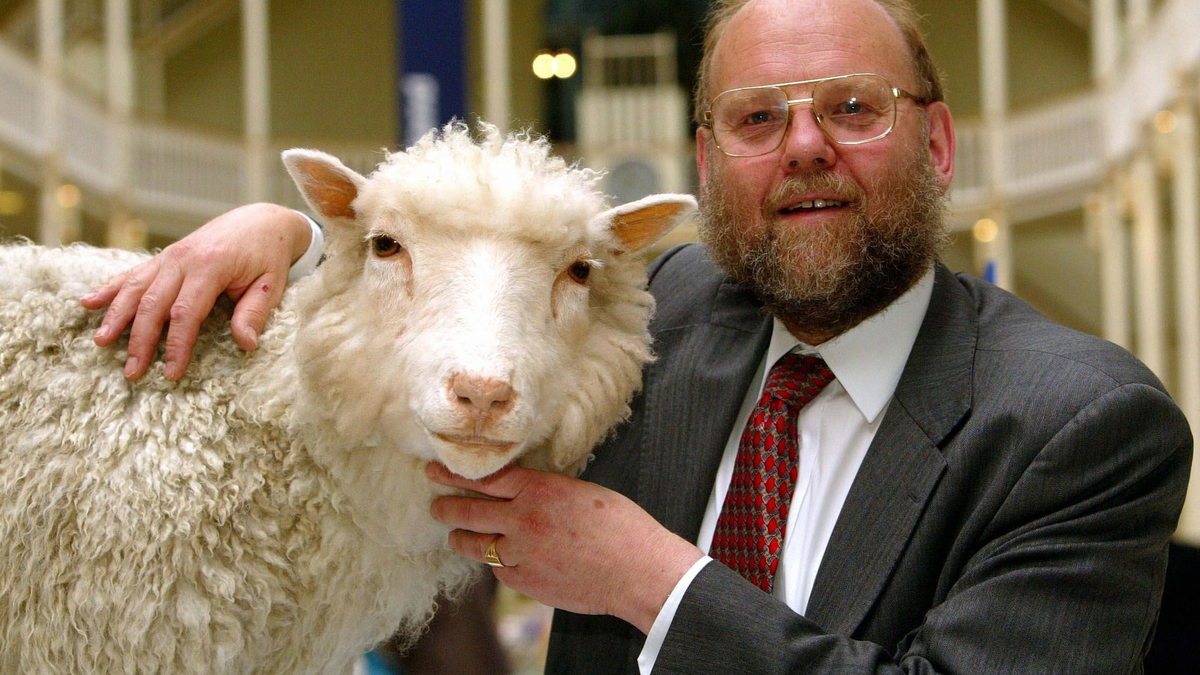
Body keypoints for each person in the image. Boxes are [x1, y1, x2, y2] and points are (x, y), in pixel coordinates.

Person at [82, 0, 1192, 672]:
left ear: (938, 144)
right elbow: (456, 295)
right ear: (707, 167)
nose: (804, 147)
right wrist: (289, 234)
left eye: (854, 108)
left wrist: (656, 584)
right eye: (759, 119)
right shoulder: (649, 312)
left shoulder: (1082, 427)